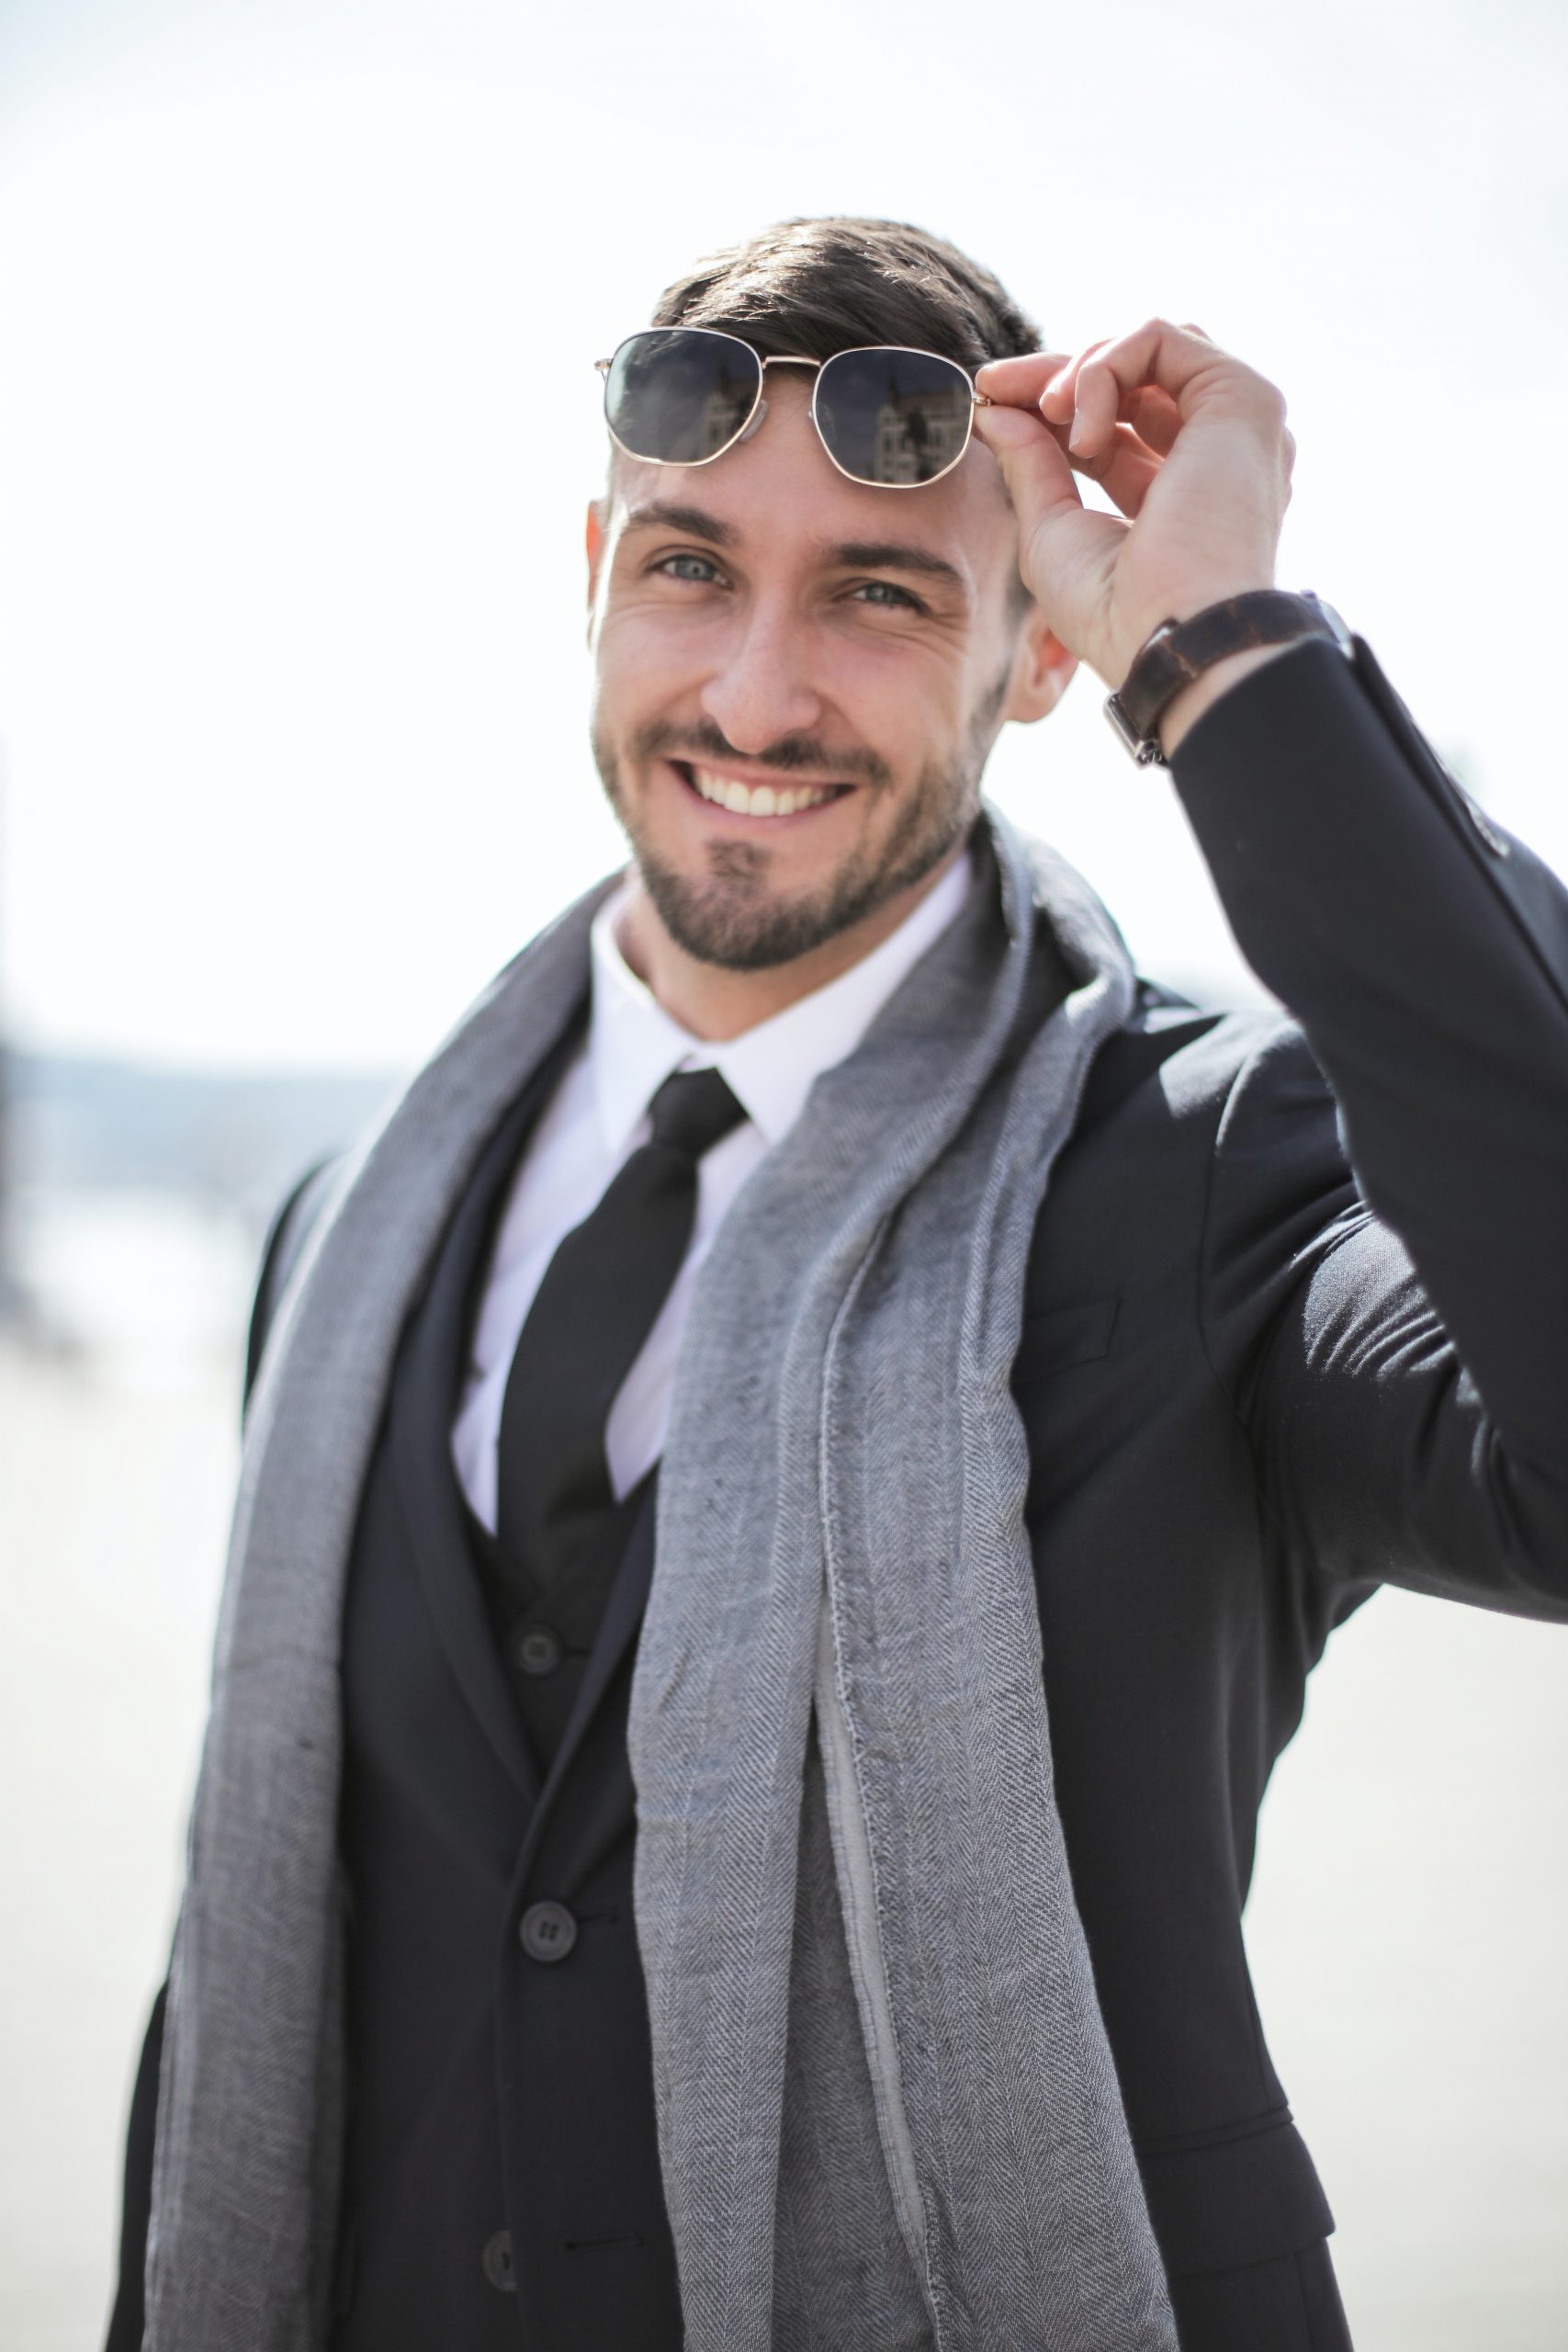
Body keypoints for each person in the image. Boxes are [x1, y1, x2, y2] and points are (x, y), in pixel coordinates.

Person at [107, 216, 1568, 2352]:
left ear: (1042, 655)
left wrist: (1232, 660)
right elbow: (265, 1950)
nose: (757, 689)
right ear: (589, 570)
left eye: (879, 592)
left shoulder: (1202, 1165)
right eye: (690, 565)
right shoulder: (347, 1220)